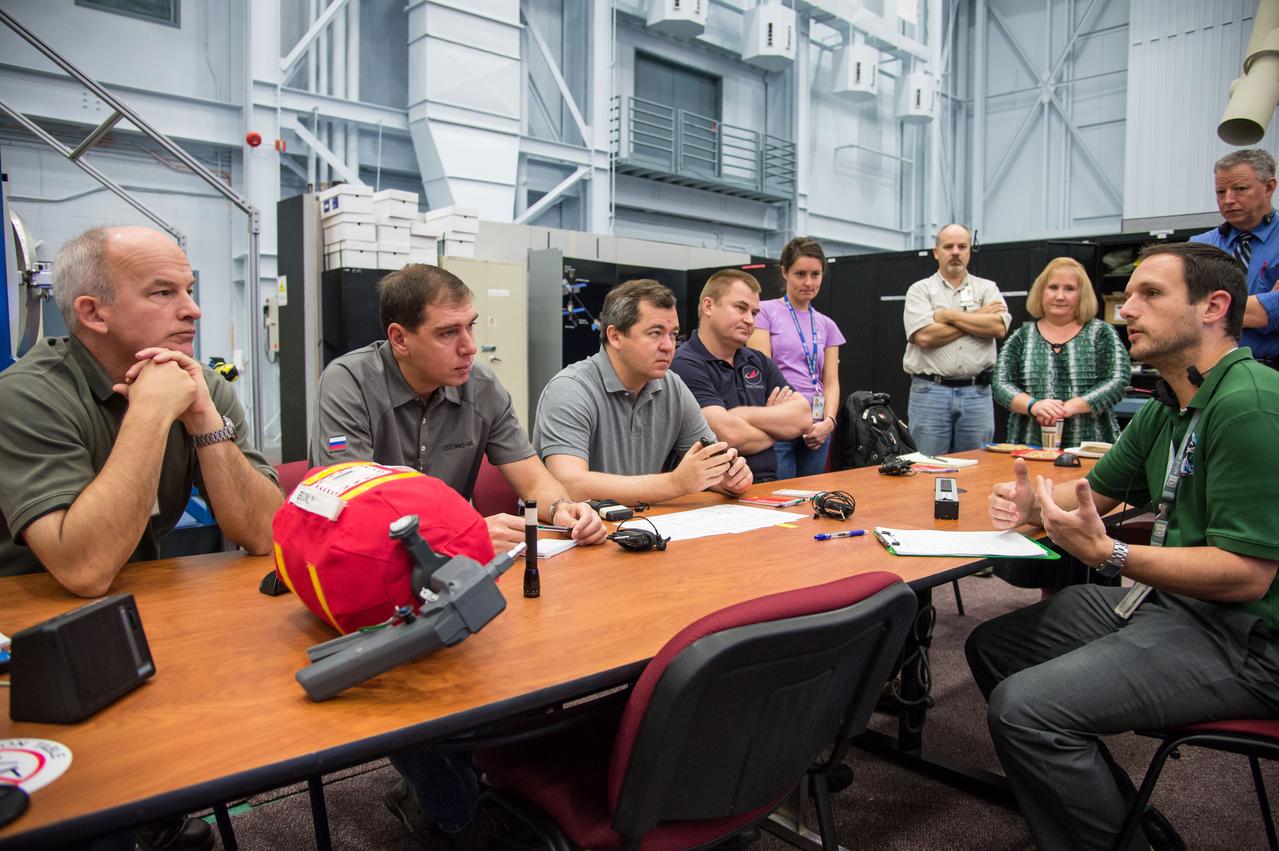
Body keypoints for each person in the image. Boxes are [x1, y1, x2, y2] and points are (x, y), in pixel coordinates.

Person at [967, 242, 1279, 851]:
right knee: (996, 647)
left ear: (1214, 307)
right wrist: (1037, 504)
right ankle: (1118, 819)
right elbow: (1097, 492)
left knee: (1025, 709)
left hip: (1248, 639)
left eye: (1150, 295)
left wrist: (1110, 554)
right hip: (1176, 607)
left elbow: (1246, 575)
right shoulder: (1173, 402)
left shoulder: (1250, 406)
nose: (1126, 310)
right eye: (1129, 294)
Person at [0, 225, 283, 851]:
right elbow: (84, 569)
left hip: (131, 614)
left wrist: (203, 419)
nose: (193, 309)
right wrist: (151, 412)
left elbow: (265, 533)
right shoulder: (26, 396)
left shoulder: (199, 383)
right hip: (28, 644)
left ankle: (152, 815)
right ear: (92, 313)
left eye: (190, 289)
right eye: (163, 292)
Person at [310, 262, 605, 849]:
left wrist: (567, 509)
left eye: (471, 326)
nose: (469, 346)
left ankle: (464, 782)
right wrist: (465, 532)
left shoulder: (482, 386)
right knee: (409, 680)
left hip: (451, 570)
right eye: (448, 332)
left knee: (522, 654)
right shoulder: (348, 382)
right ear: (400, 338)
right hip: (367, 568)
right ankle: (456, 815)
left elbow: (533, 479)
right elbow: (351, 509)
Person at [534, 279, 753, 503]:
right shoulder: (570, 389)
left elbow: (711, 464)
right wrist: (675, 483)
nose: (669, 346)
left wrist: (725, 478)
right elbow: (569, 485)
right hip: (574, 523)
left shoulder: (672, 386)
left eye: (673, 334)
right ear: (615, 336)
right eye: (655, 333)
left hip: (639, 519)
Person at [670, 269, 811, 483]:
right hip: (716, 492)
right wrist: (776, 429)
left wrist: (741, 414)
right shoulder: (684, 363)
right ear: (708, 306)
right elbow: (726, 435)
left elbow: (803, 417)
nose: (750, 320)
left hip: (770, 485)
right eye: (741, 308)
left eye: (754, 313)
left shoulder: (758, 361)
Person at [992, 256, 1130, 448]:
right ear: (1041, 292)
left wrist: (1070, 407)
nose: (1060, 296)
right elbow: (1001, 384)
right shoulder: (1022, 337)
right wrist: (1034, 406)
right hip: (1028, 446)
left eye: (1069, 289)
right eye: (1053, 287)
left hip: (1091, 446)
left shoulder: (1101, 333)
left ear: (1082, 295)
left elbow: (1118, 380)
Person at [901, 224, 1010, 456]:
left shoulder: (987, 288)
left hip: (976, 394)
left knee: (976, 468)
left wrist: (948, 316)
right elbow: (925, 336)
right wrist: (978, 317)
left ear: (969, 250)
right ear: (936, 252)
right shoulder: (920, 290)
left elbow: (998, 328)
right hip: (930, 392)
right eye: (948, 246)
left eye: (962, 246)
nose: (955, 252)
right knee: (927, 465)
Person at [748, 237, 845, 478]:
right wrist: (784, 416)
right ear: (784, 272)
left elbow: (831, 382)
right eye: (800, 274)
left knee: (812, 494)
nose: (808, 282)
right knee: (780, 493)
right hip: (780, 421)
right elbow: (763, 372)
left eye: (815, 274)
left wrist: (829, 422)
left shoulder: (827, 325)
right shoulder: (764, 312)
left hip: (817, 425)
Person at [1189, 148, 1279, 368]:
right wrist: (1264, 305)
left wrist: (1210, 309)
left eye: (1240, 189)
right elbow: (1183, 310)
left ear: (1269, 187)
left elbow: (1197, 310)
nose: (1228, 200)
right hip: (1210, 371)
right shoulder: (1199, 247)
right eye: (1221, 192)